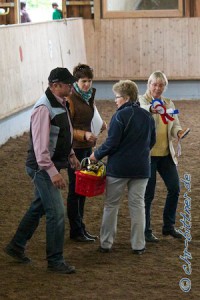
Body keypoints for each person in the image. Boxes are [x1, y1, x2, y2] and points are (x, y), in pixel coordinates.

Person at [4, 67, 80, 274]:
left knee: (39, 206)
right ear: (55, 85)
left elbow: (63, 134)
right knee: (56, 212)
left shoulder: (61, 103)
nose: (71, 87)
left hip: (48, 165)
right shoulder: (43, 109)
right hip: (41, 168)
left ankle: (16, 246)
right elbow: (40, 147)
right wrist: (52, 172)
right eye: (67, 84)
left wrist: (71, 154)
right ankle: (55, 261)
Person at [90, 80, 156, 254]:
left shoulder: (120, 116)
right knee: (138, 205)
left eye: (117, 97)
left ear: (126, 98)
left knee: (111, 205)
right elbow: (152, 141)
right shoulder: (148, 116)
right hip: (141, 169)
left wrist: (96, 155)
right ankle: (138, 245)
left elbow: (111, 143)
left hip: (119, 169)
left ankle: (106, 243)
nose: (115, 100)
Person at [139, 70, 189, 243]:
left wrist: (179, 132)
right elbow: (142, 111)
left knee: (175, 188)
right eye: (154, 84)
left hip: (166, 154)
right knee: (148, 194)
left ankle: (168, 227)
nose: (158, 88)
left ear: (165, 87)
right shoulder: (141, 101)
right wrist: (152, 108)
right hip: (148, 155)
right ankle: (145, 230)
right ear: (149, 85)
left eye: (161, 85)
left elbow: (175, 125)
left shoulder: (169, 103)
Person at [66, 63, 107, 242]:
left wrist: (100, 123)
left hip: (87, 148)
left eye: (89, 81)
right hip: (73, 149)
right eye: (84, 81)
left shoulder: (89, 96)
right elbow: (66, 127)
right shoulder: (70, 99)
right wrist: (84, 134)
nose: (87, 85)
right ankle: (75, 230)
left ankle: (80, 227)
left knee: (83, 188)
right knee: (76, 189)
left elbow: (91, 115)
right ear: (77, 81)